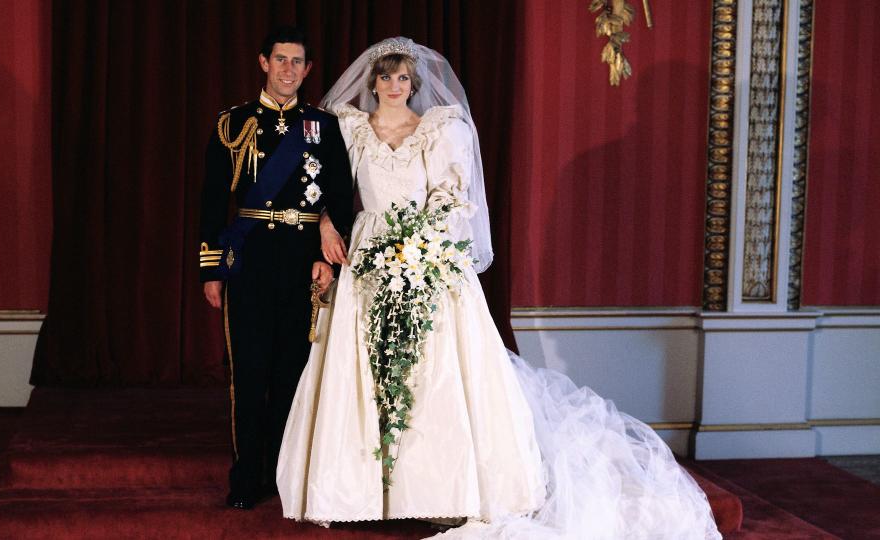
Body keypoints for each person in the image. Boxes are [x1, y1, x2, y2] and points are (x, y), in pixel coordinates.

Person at [277, 37, 721, 538]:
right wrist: (324, 227)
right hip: (368, 252)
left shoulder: (441, 131)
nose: (394, 87)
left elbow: (451, 195)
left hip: (428, 252)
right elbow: (324, 187)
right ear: (373, 82)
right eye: (385, 78)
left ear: (413, 84)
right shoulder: (349, 129)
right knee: (359, 368)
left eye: (403, 78)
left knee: (438, 369)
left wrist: (423, 246)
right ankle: (356, 488)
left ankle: (442, 488)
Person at [198, 26, 353, 510]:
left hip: (302, 264)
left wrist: (327, 250)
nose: (288, 70)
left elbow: (342, 195)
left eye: (297, 62)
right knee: (249, 372)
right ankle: (246, 476)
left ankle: (282, 474)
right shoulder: (234, 123)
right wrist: (211, 267)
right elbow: (210, 200)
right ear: (263, 62)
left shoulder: (322, 127)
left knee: (291, 373)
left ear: (308, 70)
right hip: (248, 263)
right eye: (280, 60)